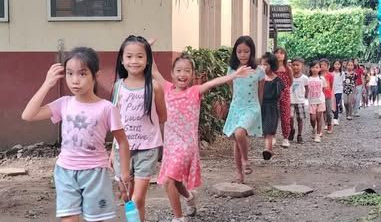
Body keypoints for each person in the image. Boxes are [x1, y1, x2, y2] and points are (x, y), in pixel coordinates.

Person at [21, 47, 131, 222]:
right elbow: (28, 115)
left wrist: (124, 173)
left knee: (98, 219)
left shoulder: (107, 108)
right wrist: (47, 84)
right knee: (69, 219)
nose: (75, 81)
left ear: (96, 75)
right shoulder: (64, 104)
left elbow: (123, 142)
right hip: (65, 172)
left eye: (82, 74)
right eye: (69, 74)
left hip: (95, 173)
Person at [153, 53, 253, 222]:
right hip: (170, 145)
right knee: (176, 181)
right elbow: (153, 70)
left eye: (187, 71)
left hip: (186, 146)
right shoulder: (167, 88)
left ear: (192, 75)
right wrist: (147, 48)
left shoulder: (195, 91)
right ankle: (189, 197)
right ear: (171, 73)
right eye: (178, 70)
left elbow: (214, 82)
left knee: (169, 180)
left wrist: (234, 75)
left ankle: (178, 218)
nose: (182, 74)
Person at [110, 35, 167, 222]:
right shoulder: (118, 87)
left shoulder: (155, 87)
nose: (134, 61)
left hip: (147, 149)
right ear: (122, 59)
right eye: (129, 56)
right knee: (127, 196)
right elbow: (115, 122)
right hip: (122, 152)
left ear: (148, 59)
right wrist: (112, 151)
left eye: (140, 56)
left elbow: (163, 116)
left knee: (137, 198)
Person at [222, 35, 265, 184]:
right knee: (236, 140)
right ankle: (239, 174)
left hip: (252, 107)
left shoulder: (259, 71)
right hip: (236, 107)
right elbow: (232, 88)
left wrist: (257, 108)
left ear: (251, 52)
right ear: (235, 52)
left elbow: (261, 91)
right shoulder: (232, 69)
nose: (242, 55)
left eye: (246, 51)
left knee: (239, 132)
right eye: (239, 51)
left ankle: (246, 160)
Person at [260, 52, 285, 160]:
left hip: (272, 107)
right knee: (266, 130)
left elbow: (281, 94)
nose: (263, 67)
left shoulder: (277, 80)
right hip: (262, 106)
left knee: (269, 130)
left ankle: (267, 149)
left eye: (266, 64)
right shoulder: (259, 79)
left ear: (272, 65)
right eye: (262, 64)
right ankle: (268, 148)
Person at [274, 47, 293, 147]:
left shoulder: (288, 68)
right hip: (273, 94)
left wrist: (284, 90)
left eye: (281, 53)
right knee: (273, 116)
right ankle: (272, 135)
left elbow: (290, 81)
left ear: (285, 56)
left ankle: (285, 137)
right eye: (277, 53)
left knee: (285, 116)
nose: (279, 55)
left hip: (285, 94)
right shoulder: (271, 68)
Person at [289, 57, 308, 143]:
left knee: (300, 119)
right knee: (290, 117)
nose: (295, 67)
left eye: (297, 65)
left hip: (300, 101)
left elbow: (307, 87)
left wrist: (305, 97)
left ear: (302, 66)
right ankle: (292, 130)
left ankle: (299, 135)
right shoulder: (289, 76)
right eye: (294, 65)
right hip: (290, 101)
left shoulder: (304, 78)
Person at [307, 61, 327, 142]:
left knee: (319, 118)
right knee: (312, 118)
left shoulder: (322, 78)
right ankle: (314, 128)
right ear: (310, 68)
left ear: (319, 69)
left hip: (320, 100)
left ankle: (318, 134)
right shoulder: (308, 79)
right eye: (313, 67)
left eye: (317, 67)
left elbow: (323, 89)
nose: (315, 69)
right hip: (312, 101)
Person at [319, 58, 334, 134]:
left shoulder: (330, 75)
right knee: (321, 112)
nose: (323, 66)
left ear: (328, 66)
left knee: (328, 111)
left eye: (325, 65)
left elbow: (331, 85)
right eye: (321, 65)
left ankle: (329, 124)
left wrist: (329, 93)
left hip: (327, 95)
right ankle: (321, 126)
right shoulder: (317, 75)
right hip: (319, 96)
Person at [331, 59, 344, 126]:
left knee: (335, 104)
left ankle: (335, 118)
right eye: (335, 64)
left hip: (339, 90)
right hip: (332, 91)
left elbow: (343, 82)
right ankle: (332, 116)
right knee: (332, 105)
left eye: (338, 64)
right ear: (333, 65)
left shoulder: (342, 73)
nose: (337, 65)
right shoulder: (331, 73)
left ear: (340, 65)